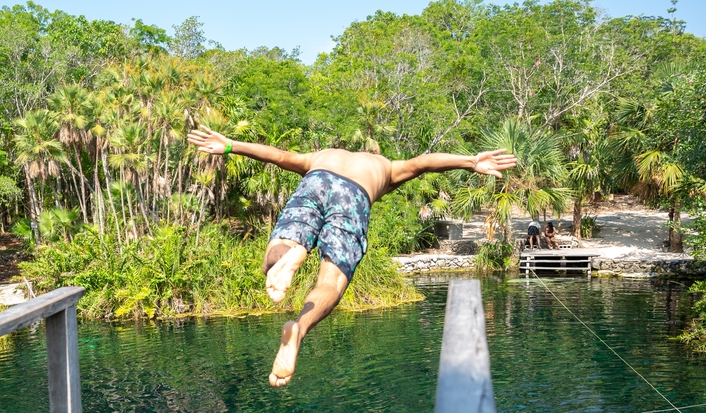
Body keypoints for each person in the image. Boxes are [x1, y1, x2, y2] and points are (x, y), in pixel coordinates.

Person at [186, 125, 517, 386]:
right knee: (333, 279)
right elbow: (423, 162)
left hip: (315, 180)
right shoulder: (386, 167)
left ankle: (295, 250)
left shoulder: (322, 154)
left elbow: (278, 155)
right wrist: (471, 161)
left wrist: (230, 144)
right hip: (355, 194)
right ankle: (298, 329)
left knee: (278, 251)